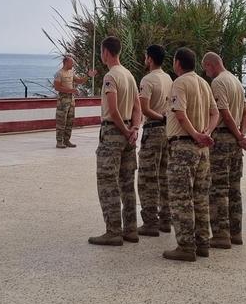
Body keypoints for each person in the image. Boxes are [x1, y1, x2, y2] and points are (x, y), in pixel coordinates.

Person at [162, 47, 216, 262]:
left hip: (184, 147)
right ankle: (203, 242)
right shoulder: (203, 83)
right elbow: (215, 112)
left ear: (177, 63)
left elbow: (180, 114)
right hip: (202, 150)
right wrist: (206, 133)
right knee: (200, 197)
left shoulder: (180, 83)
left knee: (181, 198)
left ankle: (186, 246)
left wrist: (195, 134)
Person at [89, 37, 143, 246]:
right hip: (128, 134)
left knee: (108, 182)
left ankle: (113, 231)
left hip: (113, 133)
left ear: (106, 52)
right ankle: (131, 229)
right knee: (127, 183)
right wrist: (134, 129)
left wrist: (124, 130)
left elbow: (113, 110)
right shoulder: (129, 75)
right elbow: (137, 108)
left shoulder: (111, 77)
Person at [204, 52, 246, 248]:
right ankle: (236, 232)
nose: (206, 73)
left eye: (205, 68)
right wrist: (241, 134)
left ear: (210, 65)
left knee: (219, 189)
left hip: (222, 139)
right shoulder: (235, 81)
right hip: (234, 141)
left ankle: (221, 234)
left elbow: (224, 112)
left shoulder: (218, 82)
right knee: (234, 189)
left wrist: (239, 135)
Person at [137, 45, 173, 236]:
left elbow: (145, 109)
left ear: (149, 59)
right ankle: (166, 218)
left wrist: (159, 117)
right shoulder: (168, 78)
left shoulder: (148, 79)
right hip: (167, 132)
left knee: (147, 178)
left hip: (153, 130)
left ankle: (150, 222)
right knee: (164, 175)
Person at [53, 55, 91, 148]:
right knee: (61, 122)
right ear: (66, 63)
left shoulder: (71, 72)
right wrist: (71, 90)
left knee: (70, 121)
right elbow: (57, 87)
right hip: (63, 101)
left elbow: (79, 81)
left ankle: (66, 140)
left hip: (71, 100)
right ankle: (59, 142)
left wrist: (88, 76)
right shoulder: (59, 73)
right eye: (71, 63)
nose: (73, 64)